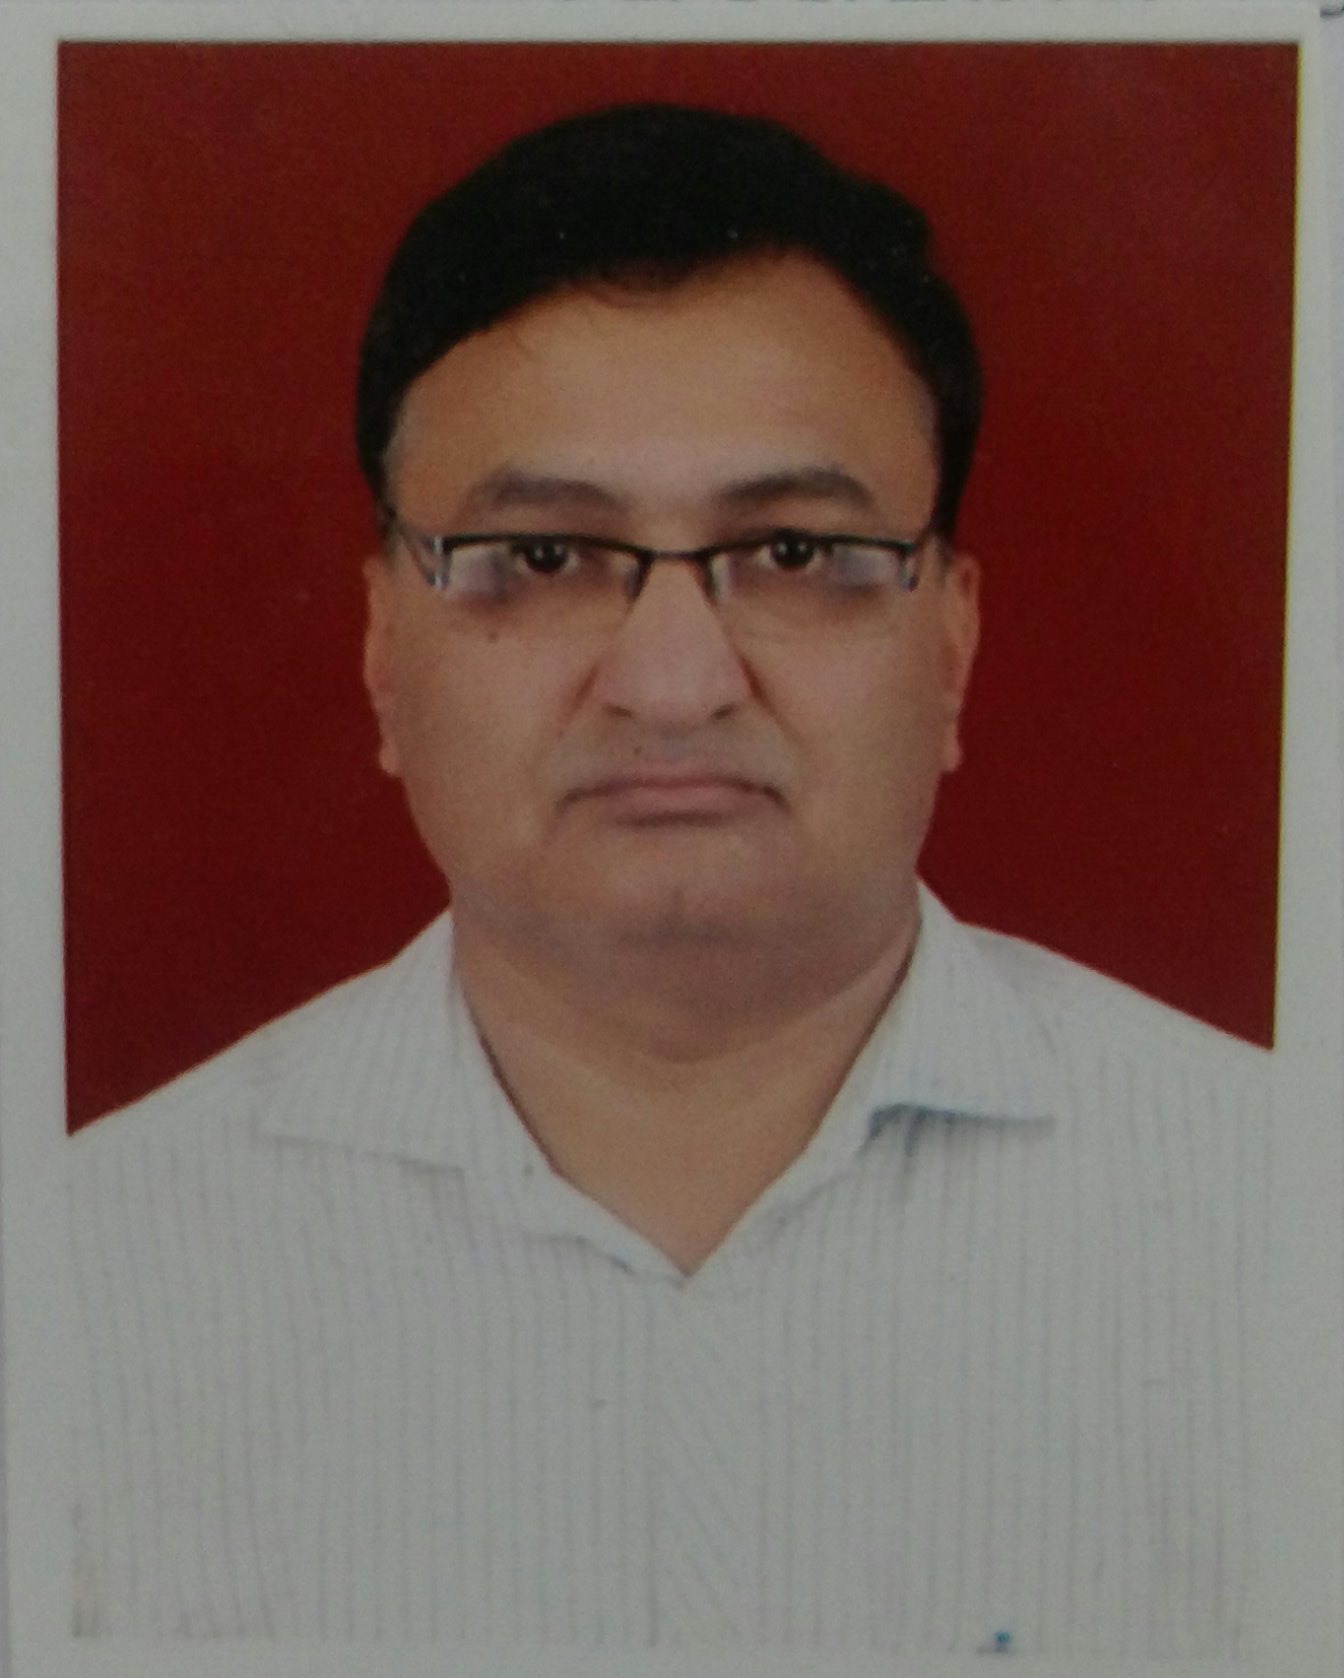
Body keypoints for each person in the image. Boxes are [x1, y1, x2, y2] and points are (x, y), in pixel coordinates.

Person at [68, 104, 1268, 1656]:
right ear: (381, 650)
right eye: (544, 557)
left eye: (795, 553)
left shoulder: (1280, 1221)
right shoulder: (79, 1288)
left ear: (953, 644)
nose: (676, 683)